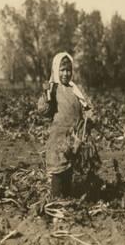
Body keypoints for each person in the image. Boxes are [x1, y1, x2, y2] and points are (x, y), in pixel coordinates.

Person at [37, 52, 94, 197]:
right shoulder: (53, 89)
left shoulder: (75, 89)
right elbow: (44, 111)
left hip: (74, 136)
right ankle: (55, 201)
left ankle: (67, 198)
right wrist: (45, 96)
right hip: (59, 136)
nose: (66, 73)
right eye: (62, 70)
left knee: (69, 168)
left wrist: (90, 115)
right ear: (56, 70)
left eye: (69, 70)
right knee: (58, 169)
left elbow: (87, 106)